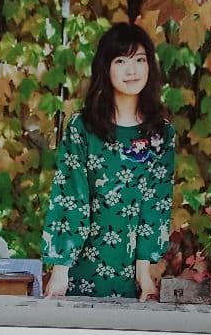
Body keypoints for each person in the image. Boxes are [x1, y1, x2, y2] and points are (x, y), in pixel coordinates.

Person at [43, 22, 175, 300]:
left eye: (140, 60)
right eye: (121, 61)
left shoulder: (160, 134)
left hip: (131, 280)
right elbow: (70, 197)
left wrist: (144, 276)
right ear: (105, 68)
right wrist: (60, 270)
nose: (132, 70)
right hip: (78, 273)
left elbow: (155, 206)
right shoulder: (82, 127)